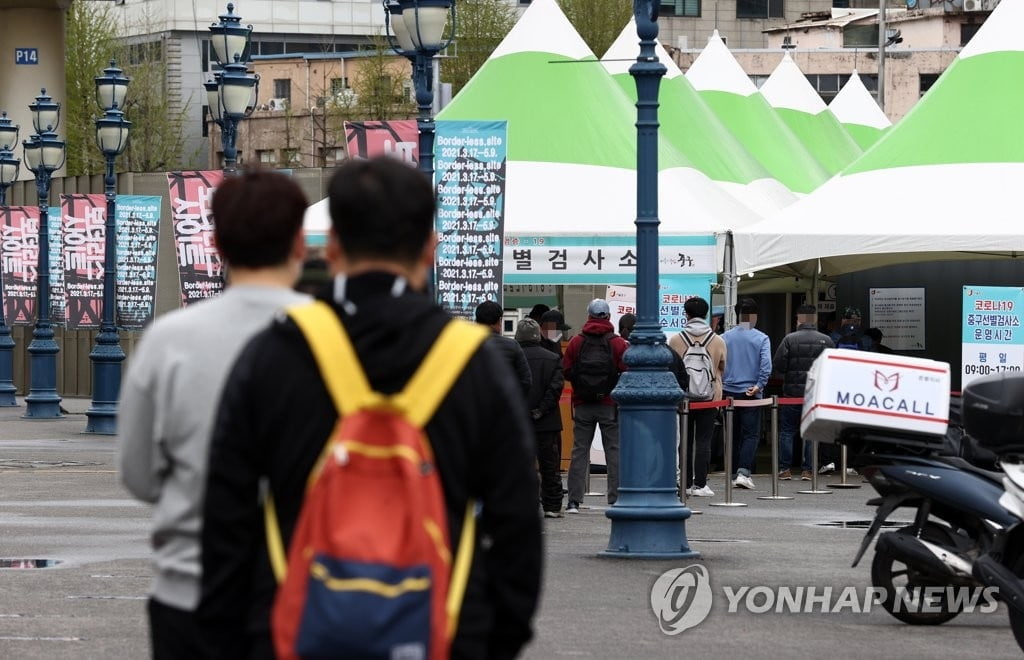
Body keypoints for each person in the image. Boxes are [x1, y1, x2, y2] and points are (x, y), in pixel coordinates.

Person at [197, 157, 542, 659]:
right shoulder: (474, 363)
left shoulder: (275, 353)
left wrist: (238, 634)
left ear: (332, 245)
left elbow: (225, 515)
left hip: (290, 628)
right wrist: (490, 636)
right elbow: (516, 520)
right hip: (443, 629)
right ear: (430, 247)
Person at [117, 169, 311, 659]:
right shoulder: (338, 338)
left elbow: (138, 476)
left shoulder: (170, 339)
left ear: (217, 243)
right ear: (299, 244)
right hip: (310, 589)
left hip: (191, 588)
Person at [562, 298, 628, 513]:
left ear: (588, 316)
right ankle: (615, 498)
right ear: (608, 317)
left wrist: (582, 384)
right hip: (609, 402)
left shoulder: (576, 341)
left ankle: (573, 500)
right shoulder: (617, 342)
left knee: (580, 450)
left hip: (582, 403)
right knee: (613, 450)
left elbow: (566, 369)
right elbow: (625, 368)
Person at [667, 296, 727, 497]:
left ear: (686, 314)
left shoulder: (676, 339)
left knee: (684, 440)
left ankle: (684, 482)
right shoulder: (718, 340)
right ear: (706, 314)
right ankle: (700, 484)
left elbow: (671, 368)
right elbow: (722, 367)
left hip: (682, 398)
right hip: (709, 398)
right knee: (704, 441)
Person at [773, 304, 834, 481]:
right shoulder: (826, 340)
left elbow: (780, 365)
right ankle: (808, 470)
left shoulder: (789, 339)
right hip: (814, 394)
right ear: (814, 319)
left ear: (798, 318)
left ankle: (785, 469)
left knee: (786, 431)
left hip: (791, 393)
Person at [516, 317, 565, 518]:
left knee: (521, 464)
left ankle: (525, 503)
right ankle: (552, 505)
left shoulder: (512, 358)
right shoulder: (552, 358)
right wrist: (541, 410)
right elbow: (555, 389)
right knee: (550, 465)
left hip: (519, 422)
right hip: (547, 421)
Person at [721, 297, 772, 490]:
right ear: (754, 316)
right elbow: (766, 365)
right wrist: (759, 385)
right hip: (751, 392)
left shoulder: (725, 337)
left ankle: (734, 472)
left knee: (732, 434)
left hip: (729, 392)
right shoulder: (761, 338)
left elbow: (720, 363)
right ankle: (743, 472)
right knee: (750, 435)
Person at [474, 300, 532, 397]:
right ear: (499, 321)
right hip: (504, 406)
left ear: (477, 321)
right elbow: (526, 381)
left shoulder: (466, 346)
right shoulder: (513, 345)